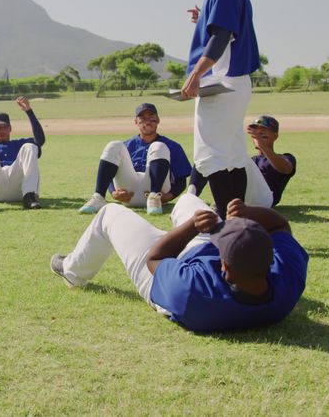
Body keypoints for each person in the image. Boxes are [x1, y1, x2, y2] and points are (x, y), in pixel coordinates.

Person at [50, 194, 308, 333]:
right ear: (269, 259)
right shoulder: (286, 277)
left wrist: (192, 228)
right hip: (201, 254)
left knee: (110, 213)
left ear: (225, 269)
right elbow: (280, 225)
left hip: (161, 267)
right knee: (188, 200)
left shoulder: (192, 291)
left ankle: (73, 271)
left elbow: (156, 258)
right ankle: (190, 214)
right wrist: (248, 213)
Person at [177, 0, 261, 218]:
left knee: (209, 156)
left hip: (221, 85)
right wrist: (204, 20)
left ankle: (226, 223)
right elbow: (222, 30)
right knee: (234, 155)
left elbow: (221, 36)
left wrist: (195, 74)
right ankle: (239, 221)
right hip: (235, 84)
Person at [78, 102, 192, 216]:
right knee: (114, 145)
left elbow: (181, 181)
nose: (147, 121)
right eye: (142, 118)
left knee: (159, 146)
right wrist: (114, 193)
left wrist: (168, 196)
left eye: (151, 118)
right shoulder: (126, 146)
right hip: (129, 194)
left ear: (158, 120)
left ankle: (154, 197)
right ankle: (98, 197)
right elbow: (110, 174)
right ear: (136, 122)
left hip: (158, 195)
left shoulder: (173, 146)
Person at [188, 115, 297, 208]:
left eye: (264, 132)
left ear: (275, 136)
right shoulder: (251, 160)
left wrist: (262, 145)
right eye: (256, 132)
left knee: (234, 158)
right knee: (207, 156)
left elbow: (285, 169)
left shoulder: (285, 157)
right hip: (243, 198)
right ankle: (190, 197)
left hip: (265, 199)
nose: (259, 134)